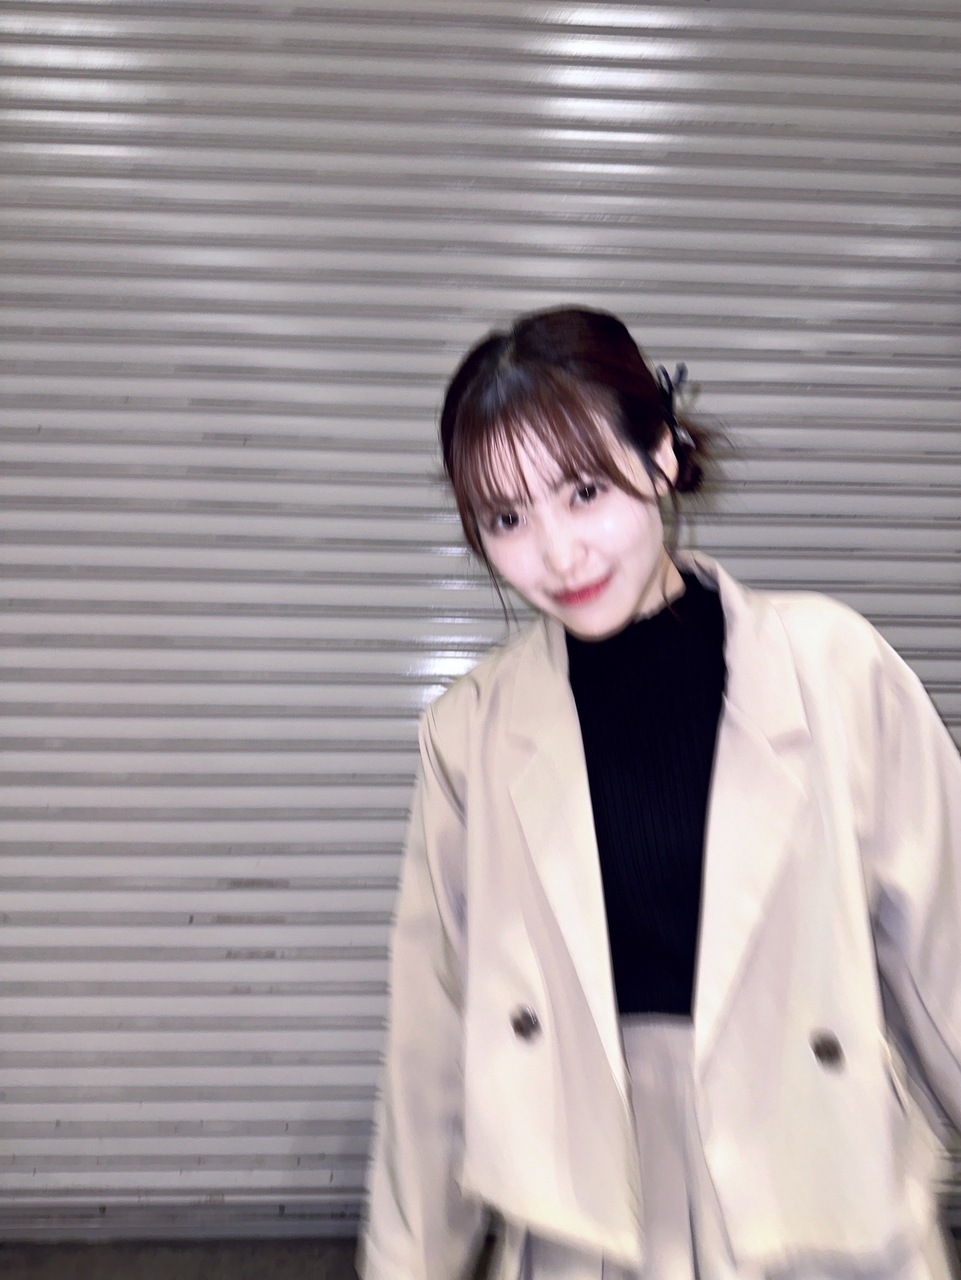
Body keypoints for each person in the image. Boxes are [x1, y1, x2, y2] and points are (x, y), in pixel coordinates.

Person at [359, 306, 961, 1280]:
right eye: (507, 518)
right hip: (587, 1209)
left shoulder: (833, 668)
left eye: (584, 490)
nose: (558, 553)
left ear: (662, 456)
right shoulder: (470, 733)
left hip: (819, 1185)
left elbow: (945, 957)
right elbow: (432, 1038)